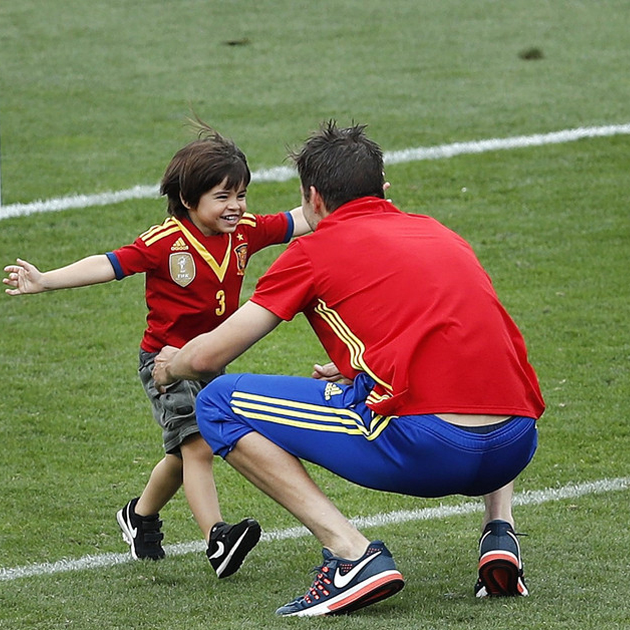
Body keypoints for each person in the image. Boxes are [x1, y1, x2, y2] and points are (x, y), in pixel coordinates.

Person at [151, 121, 544, 616]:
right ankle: (499, 531)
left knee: (216, 402)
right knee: (482, 367)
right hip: (516, 444)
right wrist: (362, 370)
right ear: (383, 189)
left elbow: (210, 356)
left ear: (313, 199)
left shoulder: (312, 251)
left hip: (432, 448)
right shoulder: (440, 232)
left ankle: (350, 554)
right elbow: (452, 336)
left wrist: (171, 367)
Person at [2, 121, 311, 579]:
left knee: (181, 452)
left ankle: (139, 516)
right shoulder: (165, 242)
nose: (236, 206)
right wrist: (46, 280)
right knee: (200, 444)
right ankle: (217, 538)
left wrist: (359, 199)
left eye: (241, 194)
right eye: (223, 197)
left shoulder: (245, 231)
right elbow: (108, 265)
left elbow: (303, 218)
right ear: (189, 200)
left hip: (210, 358)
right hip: (165, 363)